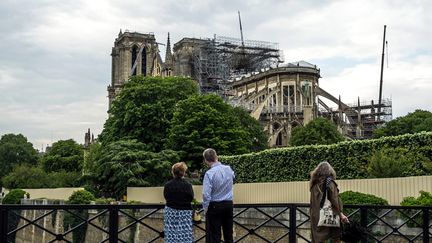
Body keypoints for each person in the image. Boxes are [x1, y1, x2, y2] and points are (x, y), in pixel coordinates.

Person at [310, 161, 349, 243]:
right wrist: (341, 214)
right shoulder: (330, 183)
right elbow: (335, 200)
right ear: (329, 171)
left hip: (316, 215)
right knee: (336, 237)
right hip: (330, 214)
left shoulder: (313, 184)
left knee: (318, 239)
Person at [202, 148, 235, 243]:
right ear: (216, 156)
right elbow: (233, 178)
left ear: (206, 160)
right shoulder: (228, 169)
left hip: (215, 206)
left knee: (215, 235)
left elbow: (206, 194)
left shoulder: (209, 174)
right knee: (229, 234)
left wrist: (205, 208)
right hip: (228, 204)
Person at [163, 162, 194, 243]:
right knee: (185, 235)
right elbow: (191, 197)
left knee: (171, 234)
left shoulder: (168, 185)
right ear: (183, 172)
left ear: (173, 172)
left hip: (171, 211)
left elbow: (166, 196)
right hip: (185, 212)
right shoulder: (188, 185)